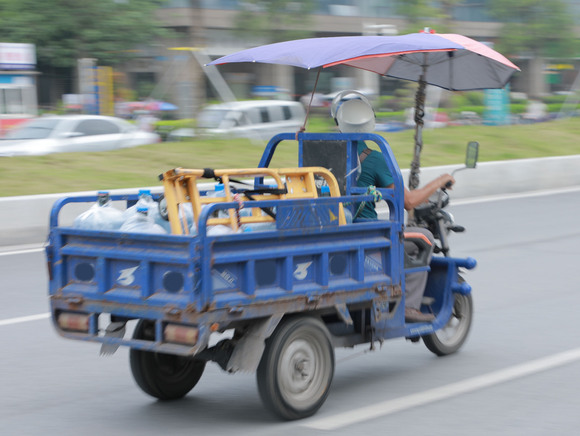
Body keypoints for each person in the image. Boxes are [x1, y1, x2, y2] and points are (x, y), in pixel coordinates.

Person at [332, 91, 455, 323]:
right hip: (365, 232)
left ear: (336, 120)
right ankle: (409, 305)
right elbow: (407, 201)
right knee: (425, 238)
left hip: (330, 228)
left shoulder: (320, 150)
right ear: (370, 120)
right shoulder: (374, 156)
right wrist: (440, 180)